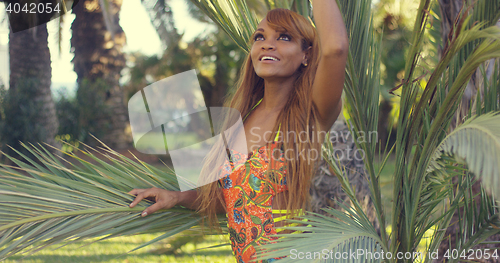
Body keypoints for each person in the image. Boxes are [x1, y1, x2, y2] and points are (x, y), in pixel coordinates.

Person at [129, 1, 347, 262]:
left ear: (307, 55)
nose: (267, 44)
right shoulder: (239, 120)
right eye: (259, 37)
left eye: (284, 37)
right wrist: (177, 197)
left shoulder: (311, 114)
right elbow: (235, 200)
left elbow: (335, 49)